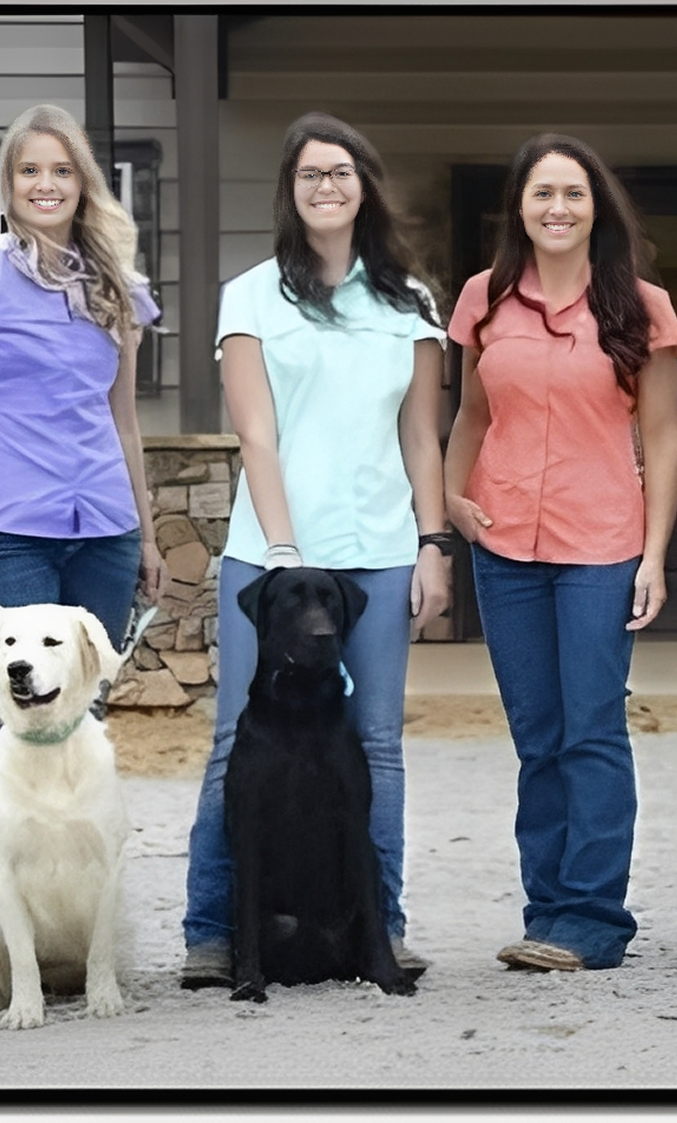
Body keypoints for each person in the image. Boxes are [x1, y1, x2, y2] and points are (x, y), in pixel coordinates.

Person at [181, 112, 451, 987]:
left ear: (364, 187)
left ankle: (382, 930)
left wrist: (433, 543)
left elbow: (422, 437)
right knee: (237, 737)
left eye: (341, 172)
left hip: (378, 550)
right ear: (289, 192)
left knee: (375, 743)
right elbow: (256, 435)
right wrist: (285, 546)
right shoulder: (252, 295)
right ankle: (213, 931)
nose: (326, 187)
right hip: (272, 556)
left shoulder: (412, 302)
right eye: (310, 175)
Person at [0, 104, 165, 973]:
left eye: (61, 170)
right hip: (8, 529)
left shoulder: (116, 288)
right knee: (15, 725)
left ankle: (66, 940)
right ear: (8, 183)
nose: (46, 185)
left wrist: (145, 533)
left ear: (83, 183)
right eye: (30, 170)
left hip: (103, 528)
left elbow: (123, 418)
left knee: (78, 721)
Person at [444, 134, 677, 973]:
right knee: (537, 737)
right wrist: (451, 499)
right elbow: (472, 415)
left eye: (573, 193)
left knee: (591, 731)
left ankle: (592, 919)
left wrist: (655, 556)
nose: (557, 207)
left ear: (596, 207)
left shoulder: (642, 306)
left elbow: (662, 434)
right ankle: (546, 912)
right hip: (504, 542)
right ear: (519, 207)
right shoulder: (483, 298)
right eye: (542, 192)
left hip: (601, 546)